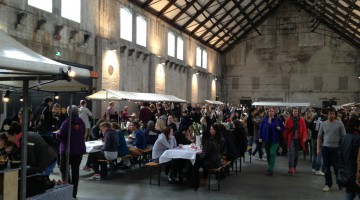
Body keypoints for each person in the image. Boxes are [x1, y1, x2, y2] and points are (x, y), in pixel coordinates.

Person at [57, 105, 86, 198]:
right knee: (75, 171)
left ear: (68, 112)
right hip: (79, 150)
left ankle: (68, 189)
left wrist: (57, 133)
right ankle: (74, 193)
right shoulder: (81, 122)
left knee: (64, 169)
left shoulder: (66, 122)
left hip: (67, 150)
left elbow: (61, 136)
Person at [317, 107, 346, 192]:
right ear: (327, 114)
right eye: (330, 114)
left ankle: (339, 182)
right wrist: (318, 148)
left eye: (333, 114)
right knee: (326, 168)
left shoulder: (340, 124)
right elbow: (319, 137)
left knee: (337, 168)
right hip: (325, 148)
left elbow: (344, 137)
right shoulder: (323, 124)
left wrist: (343, 149)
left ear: (335, 114)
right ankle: (327, 184)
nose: (331, 115)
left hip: (336, 149)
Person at [338, 117, 360, 200]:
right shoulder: (358, 139)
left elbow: (339, 155)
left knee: (349, 193)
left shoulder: (343, 138)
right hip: (355, 172)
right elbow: (357, 157)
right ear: (355, 127)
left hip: (346, 171)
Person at [259, 107, 284, 176]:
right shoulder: (264, 119)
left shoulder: (277, 120)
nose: (271, 112)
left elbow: (283, 128)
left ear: (274, 112)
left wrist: (280, 128)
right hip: (266, 139)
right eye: (270, 111)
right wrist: (260, 137)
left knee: (272, 153)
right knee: (268, 154)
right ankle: (270, 166)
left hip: (275, 140)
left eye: (272, 111)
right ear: (268, 112)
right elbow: (261, 129)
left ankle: (270, 169)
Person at [283, 108, 307, 174]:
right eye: (294, 111)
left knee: (296, 154)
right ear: (292, 112)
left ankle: (294, 167)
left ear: (298, 112)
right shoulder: (288, 119)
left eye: (296, 111)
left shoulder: (301, 119)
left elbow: (304, 129)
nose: (295, 112)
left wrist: (304, 137)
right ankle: (290, 168)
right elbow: (285, 128)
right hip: (291, 139)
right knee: (291, 153)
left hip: (298, 139)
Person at [305, 110, 324, 175]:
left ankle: (313, 168)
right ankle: (318, 169)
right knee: (319, 154)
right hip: (321, 138)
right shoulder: (324, 118)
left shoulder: (314, 117)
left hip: (313, 137)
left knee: (314, 153)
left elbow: (309, 126)